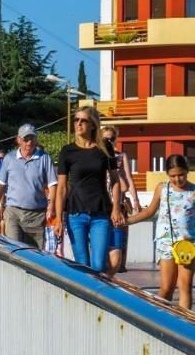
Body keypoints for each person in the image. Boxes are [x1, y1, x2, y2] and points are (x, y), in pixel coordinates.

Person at [55, 106, 124, 272]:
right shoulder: (67, 151)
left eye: (83, 120)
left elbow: (115, 180)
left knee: (98, 265)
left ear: (93, 125)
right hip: (75, 214)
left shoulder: (105, 148)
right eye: (76, 120)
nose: (78, 124)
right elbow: (62, 188)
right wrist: (58, 218)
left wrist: (116, 208)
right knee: (82, 265)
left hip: (100, 213)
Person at [127, 154, 195, 311]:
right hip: (166, 243)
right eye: (173, 176)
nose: (178, 179)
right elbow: (150, 211)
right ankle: (158, 318)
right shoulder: (162, 189)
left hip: (187, 244)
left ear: (187, 171)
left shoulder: (193, 191)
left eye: (181, 175)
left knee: (185, 286)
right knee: (167, 287)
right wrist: (129, 221)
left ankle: (184, 324)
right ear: (167, 174)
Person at [0, 124, 58, 249]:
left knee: (34, 253)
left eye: (32, 138)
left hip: (36, 215)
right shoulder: (9, 158)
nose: (29, 142)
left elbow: (53, 185)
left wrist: (52, 207)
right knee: (14, 250)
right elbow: (0, 185)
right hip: (13, 212)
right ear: (18, 140)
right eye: (26, 139)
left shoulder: (44, 158)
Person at [100, 125, 141, 278]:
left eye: (112, 138)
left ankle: (118, 266)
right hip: (102, 204)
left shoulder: (121, 156)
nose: (109, 141)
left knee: (120, 237)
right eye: (106, 138)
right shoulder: (97, 155)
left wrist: (136, 200)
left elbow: (128, 181)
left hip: (118, 202)